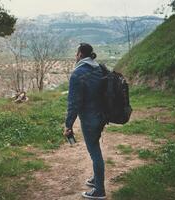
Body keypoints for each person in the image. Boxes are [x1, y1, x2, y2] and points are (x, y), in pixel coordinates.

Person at [64, 43, 106, 199]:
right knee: (95, 148)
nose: (75, 56)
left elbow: (74, 103)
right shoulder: (99, 68)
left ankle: (99, 190)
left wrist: (68, 125)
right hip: (101, 116)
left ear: (80, 54)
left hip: (89, 119)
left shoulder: (78, 74)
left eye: (76, 53)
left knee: (95, 152)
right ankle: (96, 178)